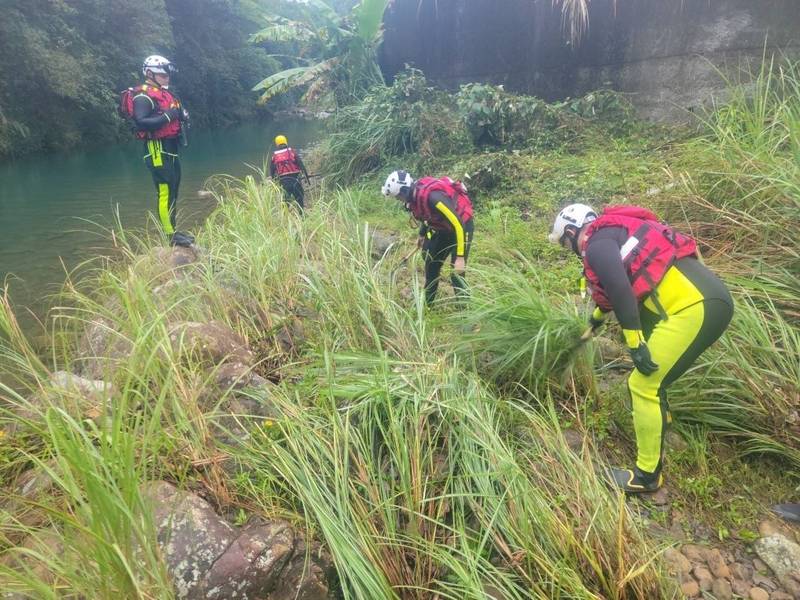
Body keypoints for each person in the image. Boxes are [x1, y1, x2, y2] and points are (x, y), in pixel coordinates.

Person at [549, 203, 733, 493]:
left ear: (572, 232)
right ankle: (662, 421)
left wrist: (635, 344)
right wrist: (592, 325)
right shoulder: (616, 233)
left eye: (565, 242)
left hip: (693, 309)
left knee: (643, 385)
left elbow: (621, 289)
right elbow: (611, 296)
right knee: (655, 377)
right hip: (711, 300)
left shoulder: (595, 244)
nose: (568, 248)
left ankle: (646, 476)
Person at [382, 170, 474, 305]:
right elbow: (427, 216)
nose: (398, 200)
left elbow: (458, 224)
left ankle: (467, 316)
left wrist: (460, 257)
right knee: (431, 265)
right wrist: (421, 235)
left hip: (462, 226)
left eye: (398, 197)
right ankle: (428, 305)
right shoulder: (414, 198)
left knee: (456, 273)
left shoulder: (433, 198)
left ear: (404, 191)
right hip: (443, 229)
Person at [130, 55, 193, 247]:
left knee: (174, 189)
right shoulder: (143, 97)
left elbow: (175, 115)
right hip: (157, 149)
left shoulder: (166, 95)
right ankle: (169, 236)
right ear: (149, 74)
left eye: (167, 76)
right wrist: (169, 116)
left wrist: (181, 116)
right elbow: (141, 122)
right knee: (165, 191)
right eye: (163, 75)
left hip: (171, 148)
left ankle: (173, 230)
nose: (167, 79)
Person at [269, 135, 310, 211]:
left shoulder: (274, 156)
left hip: (283, 182)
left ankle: (285, 218)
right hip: (295, 180)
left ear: (277, 144)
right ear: (286, 142)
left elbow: (272, 171)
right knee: (299, 199)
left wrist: (275, 182)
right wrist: (307, 179)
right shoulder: (292, 152)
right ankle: (302, 217)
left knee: (285, 202)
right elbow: (302, 166)